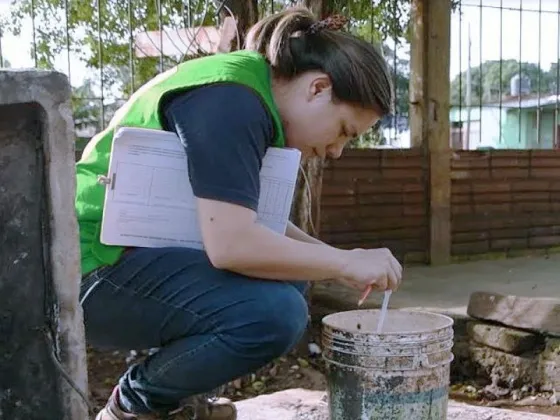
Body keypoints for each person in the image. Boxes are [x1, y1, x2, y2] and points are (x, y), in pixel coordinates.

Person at [76, 6, 402, 420]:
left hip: (127, 260)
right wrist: (343, 263)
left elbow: (250, 220)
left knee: (292, 281)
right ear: (318, 88)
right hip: (90, 271)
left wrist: (339, 259)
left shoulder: (250, 91)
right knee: (274, 313)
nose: (337, 150)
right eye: (343, 131)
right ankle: (135, 406)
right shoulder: (232, 101)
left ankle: (177, 401)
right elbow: (232, 245)